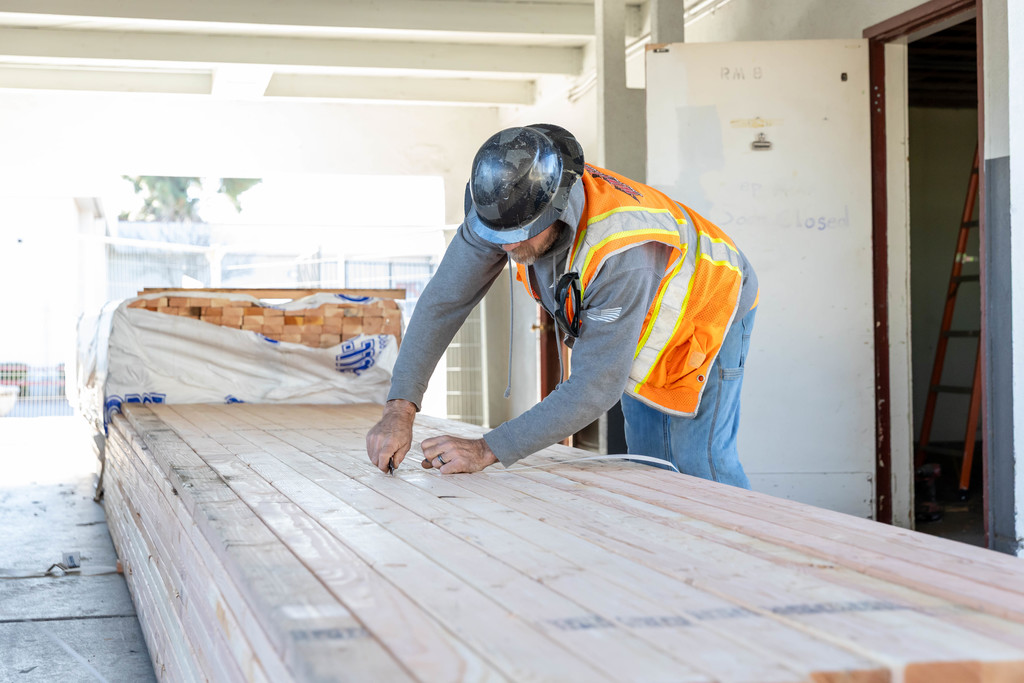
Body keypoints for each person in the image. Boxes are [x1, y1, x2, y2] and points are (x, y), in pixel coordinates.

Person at [366, 123, 759, 487]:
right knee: (652, 463)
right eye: (495, 235)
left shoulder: (622, 253)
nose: (504, 247)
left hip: (708, 303)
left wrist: (487, 449)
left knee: (693, 465)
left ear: (555, 209)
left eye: (519, 236)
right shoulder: (503, 209)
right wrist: (399, 409)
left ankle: (749, 556)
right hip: (640, 305)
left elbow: (595, 385)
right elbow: (442, 303)